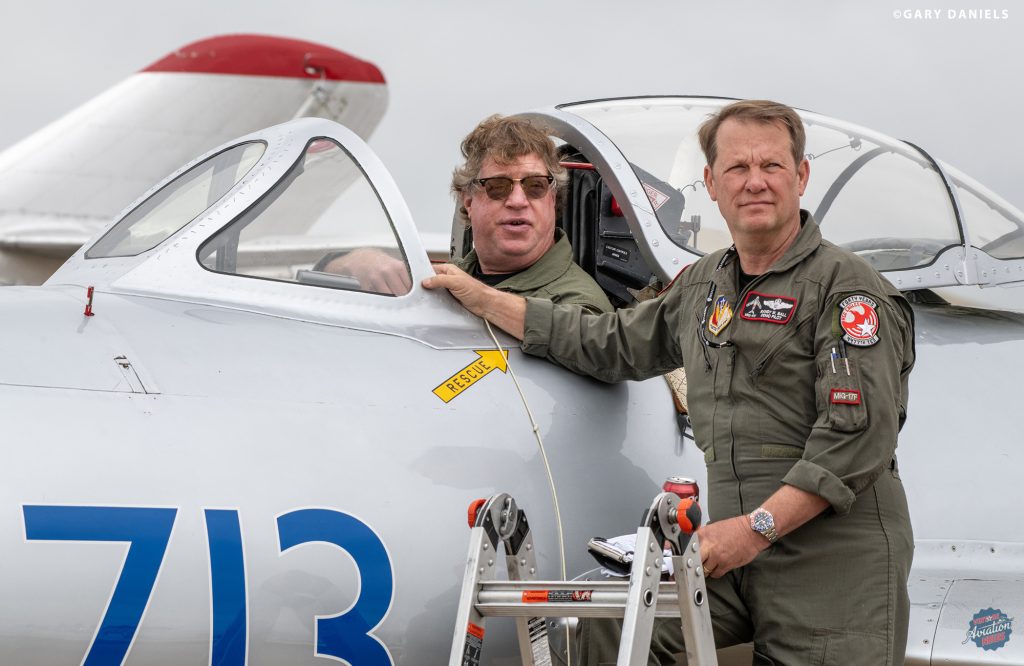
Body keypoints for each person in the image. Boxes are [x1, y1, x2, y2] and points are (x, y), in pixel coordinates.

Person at [424, 100, 916, 665]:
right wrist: (487, 300)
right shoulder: (706, 285)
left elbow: (857, 439)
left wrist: (751, 531)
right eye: (736, 168)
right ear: (711, 182)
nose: (754, 182)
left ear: (801, 176)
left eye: (772, 166)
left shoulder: (847, 289)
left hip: (829, 562)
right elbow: (607, 344)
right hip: (730, 554)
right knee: (610, 630)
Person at [318, 115, 612, 313]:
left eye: (535, 186)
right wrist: (359, 261)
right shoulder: (453, 276)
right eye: (498, 187)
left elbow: (586, 345)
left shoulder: (577, 306)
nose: (518, 200)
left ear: (553, 199)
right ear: (468, 200)